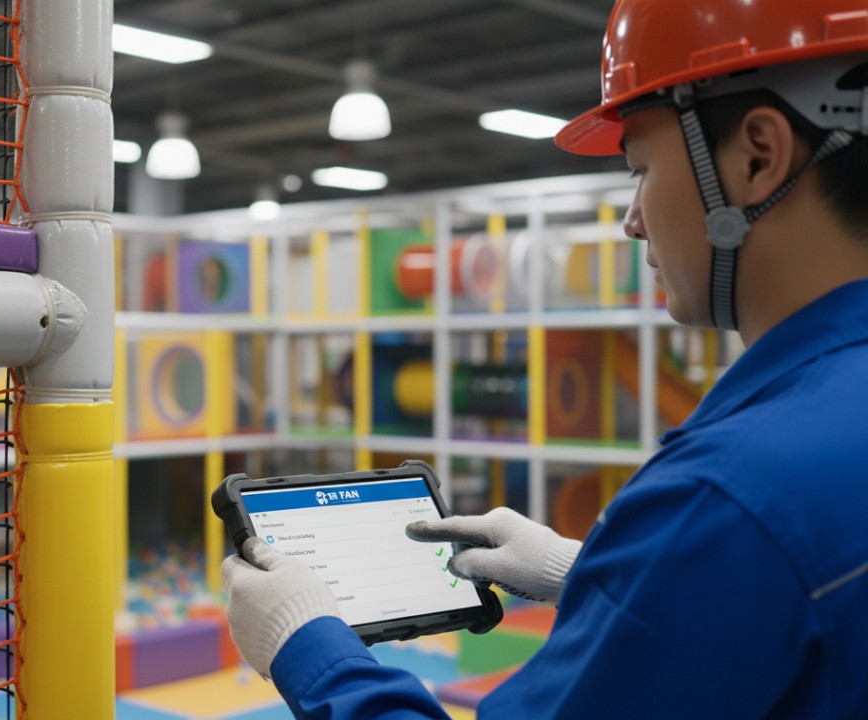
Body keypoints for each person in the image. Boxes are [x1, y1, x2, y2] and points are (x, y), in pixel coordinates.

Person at [222, 0, 868, 717]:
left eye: (638, 169)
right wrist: (602, 574)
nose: (632, 221)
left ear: (758, 156)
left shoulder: (728, 495)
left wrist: (306, 643)